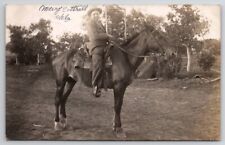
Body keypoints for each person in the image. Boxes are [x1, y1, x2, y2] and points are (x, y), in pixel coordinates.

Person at [85, 7, 114, 97]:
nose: (96, 15)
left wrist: (110, 40)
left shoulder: (100, 24)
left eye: (97, 14)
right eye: (94, 14)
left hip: (104, 46)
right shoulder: (89, 23)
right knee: (98, 65)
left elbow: (105, 37)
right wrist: (107, 35)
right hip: (96, 46)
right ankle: (95, 86)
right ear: (91, 15)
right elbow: (94, 36)